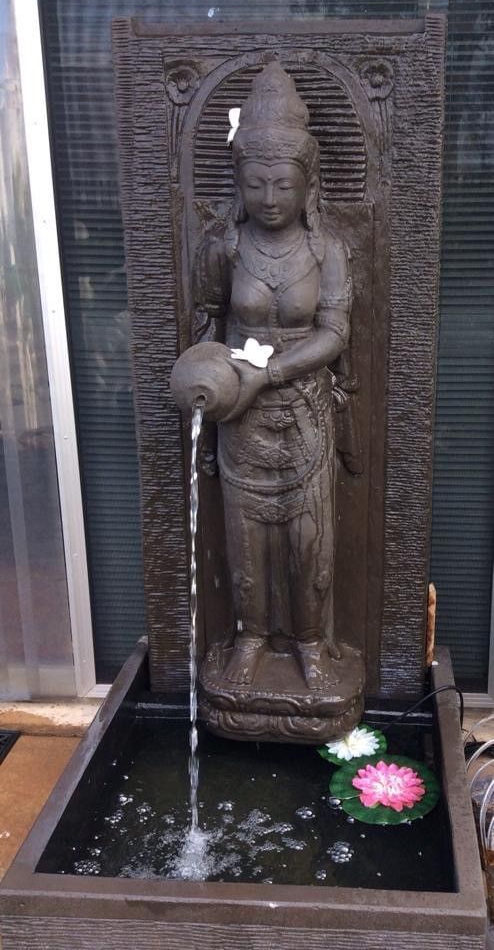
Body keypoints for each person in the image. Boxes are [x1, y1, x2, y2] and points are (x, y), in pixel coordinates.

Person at [194, 62, 352, 692]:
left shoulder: (327, 251)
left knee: (308, 540)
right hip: (241, 411)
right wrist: (205, 379)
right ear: (240, 184)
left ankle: (312, 644)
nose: (269, 199)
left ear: (305, 184)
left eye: (282, 185)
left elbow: (336, 335)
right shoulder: (224, 248)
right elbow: (208, 320)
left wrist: (275, 373)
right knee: (246, 537)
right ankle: (251, 638)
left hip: (306, 409)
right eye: (256, 184)